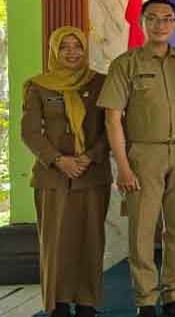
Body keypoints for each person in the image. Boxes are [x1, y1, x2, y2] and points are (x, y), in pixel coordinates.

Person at [97, 0, 175, 317]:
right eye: (153, 18)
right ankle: (145, 300)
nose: (160, 24)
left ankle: (173, 294)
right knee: (142, 229)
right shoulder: (126, 64)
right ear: (142, 22)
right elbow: (112, 119)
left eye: (167, 18)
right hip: (143, 155)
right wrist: (122, 166)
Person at [21, 27, 111, 317]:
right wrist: (59, 160)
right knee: (55, 243)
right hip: (53, 178)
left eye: (78, 46)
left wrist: (89, 157)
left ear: (85, 49)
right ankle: (57, 304)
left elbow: (112, 128)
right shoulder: (38, 86)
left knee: (91, 241)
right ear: (53, 51)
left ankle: (87, 303)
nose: (72, 52)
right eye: (64, 46)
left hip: (91, 175)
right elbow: (30, 132)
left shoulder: (101, 83)